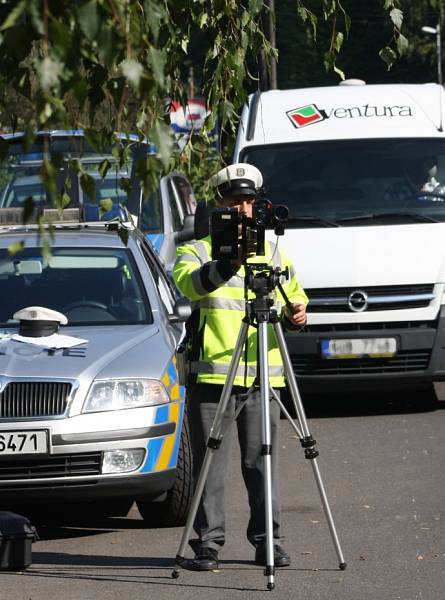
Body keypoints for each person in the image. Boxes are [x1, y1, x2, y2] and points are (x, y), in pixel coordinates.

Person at [172, 163, 308, 571]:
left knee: (262, 462)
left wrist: (296, 315)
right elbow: (188, 286)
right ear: (219, 204)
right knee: (208, 466)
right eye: (235, 201)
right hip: (212, 376)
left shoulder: (271, 251)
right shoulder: (194, 249)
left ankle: (269, 541)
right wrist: (226, 264)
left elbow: (292, 298)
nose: (245, 209)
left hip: (263, 375)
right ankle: (208, 544)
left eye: (250, 201)